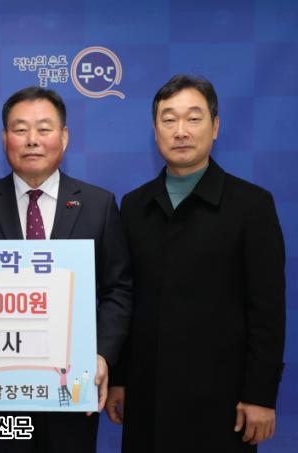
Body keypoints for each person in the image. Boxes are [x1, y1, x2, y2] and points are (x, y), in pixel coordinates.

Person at [106, 75, 286, 452]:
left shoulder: (251, 205)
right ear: (155, 130)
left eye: (193, 118)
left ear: (215, 126)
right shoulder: (134, 206)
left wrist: (260, 394)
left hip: (223, 401)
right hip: (147, 395)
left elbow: (267, 309)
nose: (181, 131)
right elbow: (125, 297)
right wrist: (119, 378)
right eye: (169, 119)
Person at [0, 86, 132, 453]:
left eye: (44, 129)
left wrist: (101, 355)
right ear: (5, 138)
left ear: (64, 137)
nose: (32, 140)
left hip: (74, 383)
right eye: (20, 129)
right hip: (0, 388)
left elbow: (118, 289)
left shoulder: (98, 205)